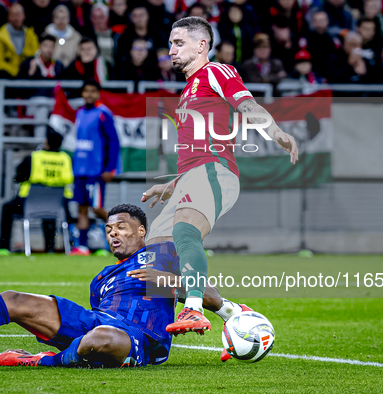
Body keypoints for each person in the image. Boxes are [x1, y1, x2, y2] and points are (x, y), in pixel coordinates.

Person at [0, 204, 252, 367]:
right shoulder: (101, 279)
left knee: (103, 339)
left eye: (121, 227)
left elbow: (208, 293)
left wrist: (170, 283)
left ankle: (44, 362)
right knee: (15, 299)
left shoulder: (164, 251)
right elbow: (94, 314)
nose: (113, 234)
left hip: (142, 338)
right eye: (108, 230)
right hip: (96, 320)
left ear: (142, 230)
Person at [142, 17, 298, 335]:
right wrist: (174, 184)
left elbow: (246, 103)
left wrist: (275, 131)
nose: (170, 49)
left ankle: (193, 310)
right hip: (192, 177)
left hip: (214, 172)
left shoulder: (216, 71)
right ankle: (229, 311)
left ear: (202, 45)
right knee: (156, 258)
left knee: (186, 232)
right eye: (170, 43)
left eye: (178, 42)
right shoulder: (187, 90)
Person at [0, 129, 73, 254]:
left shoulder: (34, 157)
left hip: (29, 203)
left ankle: (3, 247)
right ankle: (50, 248)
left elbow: (19, 176)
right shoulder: (66, 159)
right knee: (50, 213)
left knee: (7, 208)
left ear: (46, 142)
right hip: (58, 205)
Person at [70, 80, 120, 256]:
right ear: (82, 93)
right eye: (86, 91)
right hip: (80, 171)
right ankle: (82, 246)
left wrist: (110, 168)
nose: (89, 94)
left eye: (93, 91)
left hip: (96, 171)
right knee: (81, 208)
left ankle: (124, 233)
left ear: (98, 94)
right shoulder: (80, 113)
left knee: (97, 208)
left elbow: (113, 142)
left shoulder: (103, 114)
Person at [0, 3, 39, 78]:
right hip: (8, 74)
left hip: (25, 73)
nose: (16, 18)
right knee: (1, 73)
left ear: (24, 16)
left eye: (18, 14)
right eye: (13, 15)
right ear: (8, 17)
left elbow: (36, 56)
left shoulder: (31, 35)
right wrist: (16, 72)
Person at [90, 3, 118, 68]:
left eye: (101, 17)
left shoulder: (115, 36)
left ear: (106, 17)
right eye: (95, 17)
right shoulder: (88, 36)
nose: (98, 20)